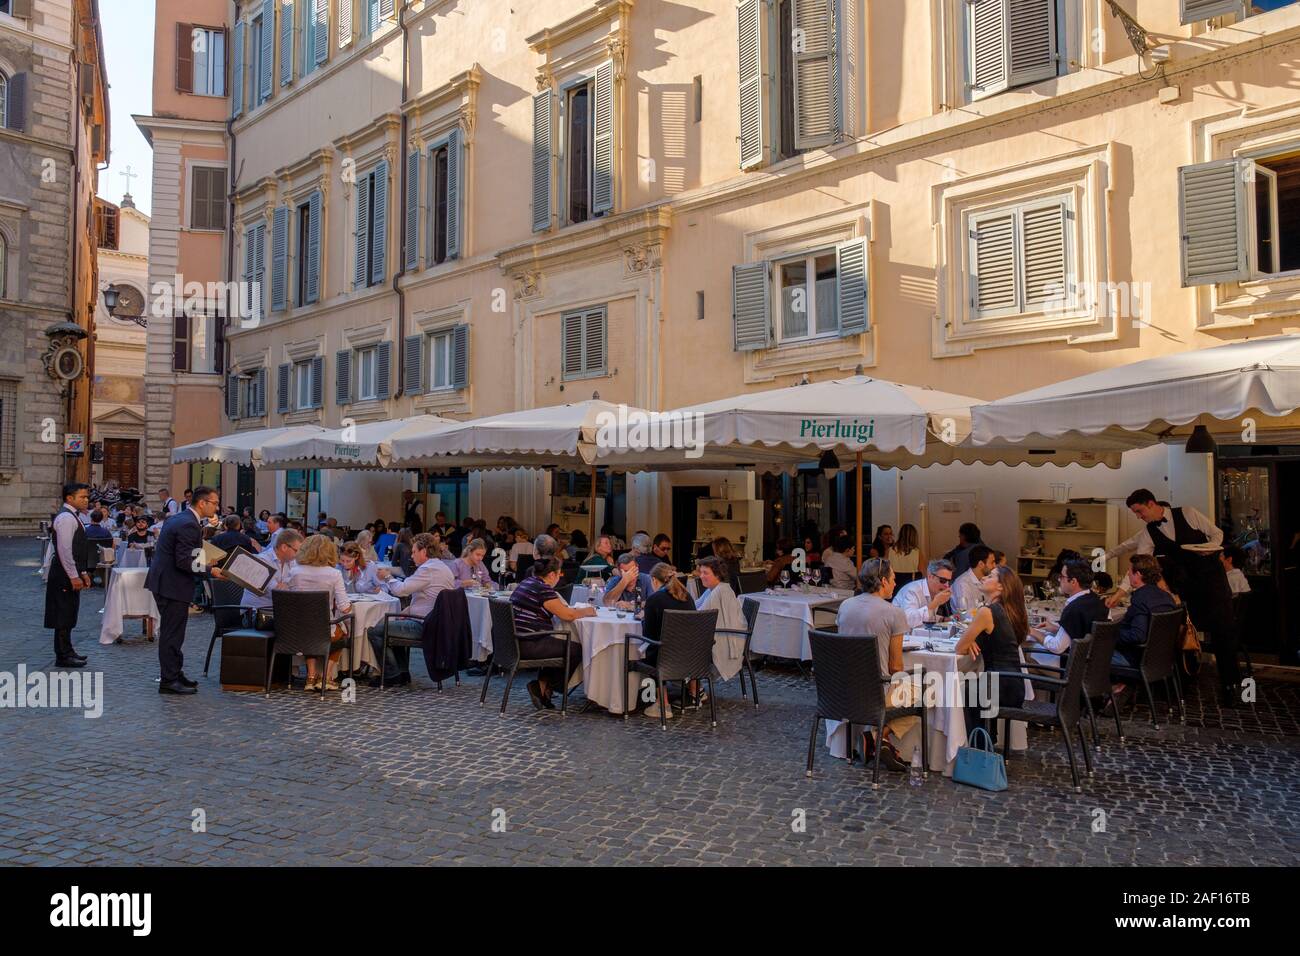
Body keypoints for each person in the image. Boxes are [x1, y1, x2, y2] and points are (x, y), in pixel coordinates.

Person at [1105, 489, 1240, 703]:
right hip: (1186, 591)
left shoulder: (1187, 512)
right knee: (1178, 636)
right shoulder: (1150, 532)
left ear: (1151, 503)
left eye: (1139, 511)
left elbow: (1217, 533)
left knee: (1224, 636)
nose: (1139, 517)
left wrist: (1209, 548)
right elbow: (1139, 564)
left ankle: (1232, 688)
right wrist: (1121, 592)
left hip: (1213, 585)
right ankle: (1180, 688)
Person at [834, 558, 921, 771]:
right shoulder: (894, 613)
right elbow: (895, 667)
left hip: (842, 690)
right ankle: (876, 737)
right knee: (929, 690)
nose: (894, 584)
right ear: (883, 581)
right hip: (875, 692)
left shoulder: (845, 606)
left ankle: (873, 739)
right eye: (892, 579)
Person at [145, 485, 224, 695]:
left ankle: (175, 673)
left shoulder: (182, 519)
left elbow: (185, 552)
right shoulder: (188, 524)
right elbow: (183, 560)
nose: (217, 507)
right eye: (215, 503)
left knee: (175, 632)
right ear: (202, 503)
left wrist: (205, 560)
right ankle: (169, 679)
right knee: (172, 633)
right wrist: (210, 570)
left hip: (168, 582)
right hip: (172, 584)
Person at [955, 565, 1030, 743]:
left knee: (959, 690)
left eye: (990, 576)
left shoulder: (987, 612)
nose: (983, 578)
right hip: (1014, 685)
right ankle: (988, 739)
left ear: (1001, 587)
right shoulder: (1012, 610)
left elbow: (959, 648)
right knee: (974, 687)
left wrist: (970, 639)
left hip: (999, 684)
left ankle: (978, 747)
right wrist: (972, 639)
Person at [509, 556, 595, 709]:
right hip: (528, 642)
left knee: (558, 644)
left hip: (513, 641)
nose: (560, 577)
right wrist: (588, 611)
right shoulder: (543, 589)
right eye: (559, 574)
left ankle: (542, 686)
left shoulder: (527, 582)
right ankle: (550, 688)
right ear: (551, 575)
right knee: (575, 649)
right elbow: (567, 615)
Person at [371, 533, 453, 686]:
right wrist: (408, 610)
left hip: (425, 625)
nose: (412, 555)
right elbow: (428, 599)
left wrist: (387, 577)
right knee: (393, 623)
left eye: (414, 552)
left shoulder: (428, 570)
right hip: (437, 623)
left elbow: (402, 590)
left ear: (424, 551)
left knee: (375, 631)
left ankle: (391, 674)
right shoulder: (442, 567)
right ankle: (402, 673)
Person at [279, 535, 352, 690]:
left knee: (310, 632)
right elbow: (344, 607)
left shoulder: (295, 571)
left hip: (298, 629)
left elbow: (287, 595)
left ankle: (311, 677)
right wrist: (350, 607)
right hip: (325, 628)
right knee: (342, 634)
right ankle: (326, 676)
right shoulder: (334, 574)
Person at [45, 482, 95, 668]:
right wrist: (74, 576)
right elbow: (65, 550)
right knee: (63, 614)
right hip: (64, 574)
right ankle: (63, 655)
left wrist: (83, 573)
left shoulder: (74, 516)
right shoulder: (66, 518)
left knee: (69, 612)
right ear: (69, 498)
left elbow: (76, 549)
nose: (86, 500)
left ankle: (68, 650)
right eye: (82, 497)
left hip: (70, 572)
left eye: (87, 497)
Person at [640, 562, 698, 720]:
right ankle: (693, 694)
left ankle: (662, 704)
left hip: (665, 659)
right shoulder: (687, 596)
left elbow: (649, 635)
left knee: (652, 649)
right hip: (692, 658)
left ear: (654, 580)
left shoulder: (654, 599)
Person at [1025, 559, 1109, 666]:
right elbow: (1081, 632)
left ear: (1073, 582)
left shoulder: (1074, 608)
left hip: (1071, 668)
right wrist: (1056, 629)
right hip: (1091, 664)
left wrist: (1032, 631)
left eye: (1062, 576)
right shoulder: (1096, 600)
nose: (1059, 579)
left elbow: (1057, 647)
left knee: (1026, 652)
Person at [1113, 554, 1177, 670]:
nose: (1128, 574)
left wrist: (1110, 633)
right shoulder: (1167, 597)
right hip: (1163, 657)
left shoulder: (1141, 598)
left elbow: (1137, 636)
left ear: (1138, 575)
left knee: (1091, 652)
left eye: (1129, 572)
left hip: (1139, 658)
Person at [240, 528, 303, 625]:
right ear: (284, 547)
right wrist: (288, 585)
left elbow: (298, 586)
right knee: (294, 627)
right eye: (296, 551)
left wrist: (286, 585)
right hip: (255, 614)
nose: (298, 554)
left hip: (277, 613)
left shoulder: (291, 561)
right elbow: (276, 594)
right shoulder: (262, 560)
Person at [892, 558, 956, 629]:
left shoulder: (935, 591)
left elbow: (925, 617)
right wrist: (935, 603)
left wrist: (943, 619)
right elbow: (909, 620)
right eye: (943, 580)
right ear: (930, 576)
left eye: (949, 581)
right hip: (901, 634)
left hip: (918, 634)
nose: (947, 585)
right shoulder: (912, 590)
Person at [950, 544, 996, 613]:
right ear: (981, 564)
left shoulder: (985, 579)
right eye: (992, 562)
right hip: (968, 622)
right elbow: (966, 614)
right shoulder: (962, 583)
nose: (994, 566)